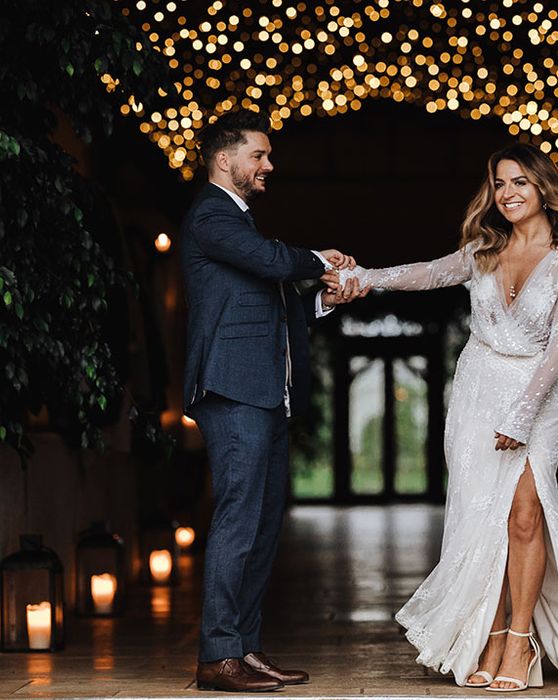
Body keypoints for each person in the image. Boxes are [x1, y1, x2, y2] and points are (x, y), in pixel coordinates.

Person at [339, 143, 558, 696]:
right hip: (476, 391)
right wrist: (364, 276)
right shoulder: (484, 248)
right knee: (481, 518)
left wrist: (522, 411)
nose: (508, 193)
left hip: (538, 396)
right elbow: (426, 273)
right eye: (499, 184)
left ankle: (520, 639)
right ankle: (491, 636)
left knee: (524, 515)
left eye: (519, 182)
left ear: (543, 187)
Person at [180, 110, 366, 693]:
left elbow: (273, 300)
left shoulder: (240, 223)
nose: (269, 165)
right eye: (258, 155)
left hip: (265, 394)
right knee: (239, 522)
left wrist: (324, 302)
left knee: (261, 528)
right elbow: (273, 263)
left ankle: (245, 648)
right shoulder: (212, 215)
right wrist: (323, 261)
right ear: (223, 160)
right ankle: (217, 656)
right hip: (234, 390)